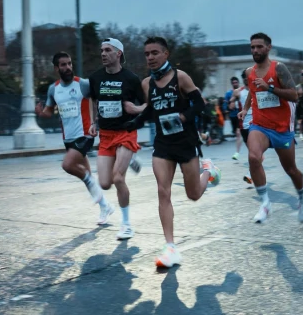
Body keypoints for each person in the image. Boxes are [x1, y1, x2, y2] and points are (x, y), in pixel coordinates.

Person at [122, 37, 220, 269]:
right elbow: (150, 112)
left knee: (193, 194)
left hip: (186, 142)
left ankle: (208, 171)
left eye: (155, 53)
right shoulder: (147, 84)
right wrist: (134, 123)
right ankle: (170, 247)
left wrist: (184, 117)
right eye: (147, 54)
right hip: (163, 144)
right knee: (162, 191)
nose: (150, 57)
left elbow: (200, 104)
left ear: (166, 54)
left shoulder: (180, 77)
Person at [37, 52, 116, 225]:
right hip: (69, 138)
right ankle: (105, 206)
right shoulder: (53, 89)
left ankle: (98, 196)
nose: (67, 68)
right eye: (63, 65)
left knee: (68, 165)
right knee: (86, 175)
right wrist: (41, 113)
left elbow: (98, 100)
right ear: (56, 68)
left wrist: (96, 122)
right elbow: (49, 111)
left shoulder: (84, 84)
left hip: (85, 134)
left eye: (70, 64)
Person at [244, 33, 303, 223]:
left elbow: (294, 95)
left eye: (259, 47)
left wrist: (270, 88)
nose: (255, 50)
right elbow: (253, 91)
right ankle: (265, 202)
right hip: (260, 125)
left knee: (291, 169)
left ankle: (302, 197)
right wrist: (246, 108)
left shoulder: (279, 68)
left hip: (282, 128)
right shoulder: (250, 72)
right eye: (252, 47)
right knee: (253, 157)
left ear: (268, 47)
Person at [89, 38, 145, 241]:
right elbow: (93, 100)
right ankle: (129, 159)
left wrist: (135, 109)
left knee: (118, 178)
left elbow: (148, 104)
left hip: (126, 132)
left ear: (118, 53)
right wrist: (94, 122)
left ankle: (127, 224)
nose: (103, 54)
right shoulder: (95, 78)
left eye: (108, 50)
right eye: (101, 50)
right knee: (105, 184)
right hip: (105, 135)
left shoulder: (131, 78)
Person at [225, 76, 244, 160]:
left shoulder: (242, 91)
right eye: (233, 83)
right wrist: (229, 107)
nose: (235, 84)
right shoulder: (229, 93)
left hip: (242, 115)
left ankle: (237, 152)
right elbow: (226, 105)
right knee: (237, 133)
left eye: (236, 82)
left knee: (238, 133)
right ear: (232, 84)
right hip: (233, 115)